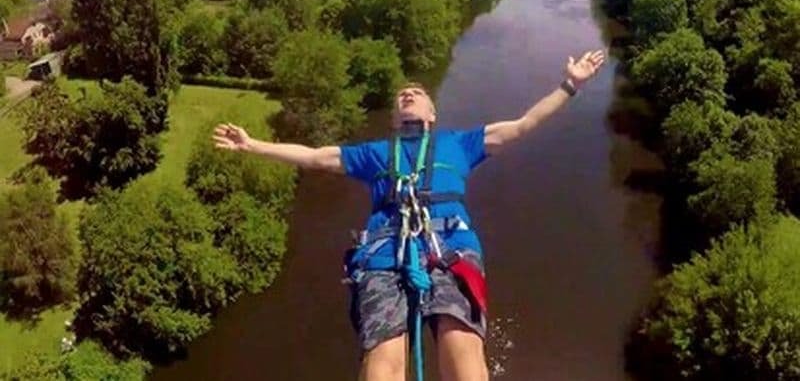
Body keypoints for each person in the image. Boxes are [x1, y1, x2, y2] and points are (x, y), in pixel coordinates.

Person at [212, 50, 606, 381]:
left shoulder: (460, 144)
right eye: (403, 94)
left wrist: (570, 85)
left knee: (464, 353)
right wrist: (253, 146)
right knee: (382, 363)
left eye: (417, 93)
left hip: (450, 248)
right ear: (393, 119)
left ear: (432, 114)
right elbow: (317, 157)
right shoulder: (374, 153)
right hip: (384, 254)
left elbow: (522, 126)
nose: (409, 94)